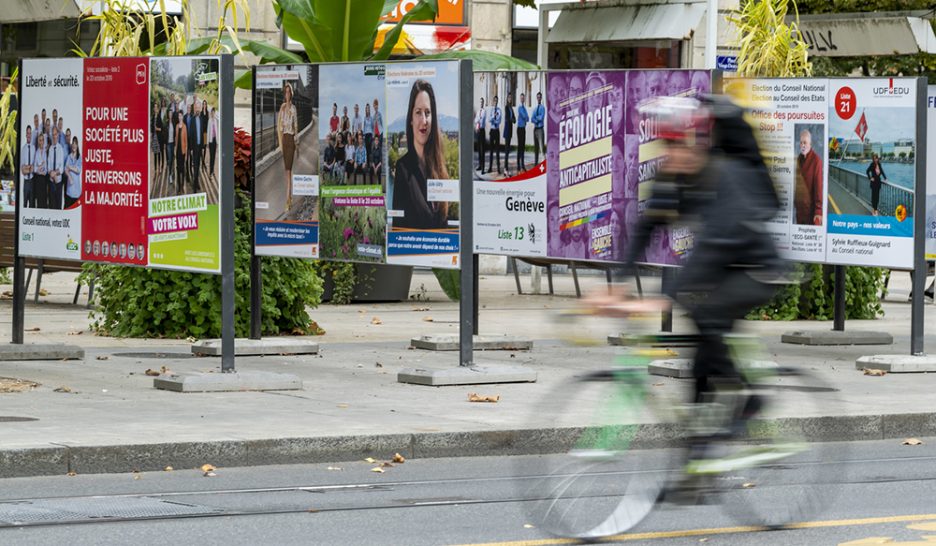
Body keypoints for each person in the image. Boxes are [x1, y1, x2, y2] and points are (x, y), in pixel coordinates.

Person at [594, 96, 784, 463]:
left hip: (758, 268)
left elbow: (713, 246)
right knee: (701, 353)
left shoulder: (724, 176)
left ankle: (750, 401)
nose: (672, 153)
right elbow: (646, 226)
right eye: (666, 144)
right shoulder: (672, 177)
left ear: (697, 141)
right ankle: (698, 449)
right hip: (722, 264)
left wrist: (665, 298)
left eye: (678, 143)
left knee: (705, 314)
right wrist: (618, 282)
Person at [392, 79, 449, 229]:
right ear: (410, 119)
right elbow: (398, 229)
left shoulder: (441, 168)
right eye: (418, 113)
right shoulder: (403, 168)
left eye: (428, 113)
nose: (424, 120)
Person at [794, 128, 823, 225]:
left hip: (810, 212)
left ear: (810, 144)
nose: (802, 145)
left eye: (805, 143)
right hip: (799, 210)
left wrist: (818, 211)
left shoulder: (816, 161)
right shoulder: (798, 159)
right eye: (801, 142)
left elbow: (818, 187)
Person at [278, 83, 298, 209]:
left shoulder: (294, 109)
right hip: (284, 139)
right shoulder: (282, 107)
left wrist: (297, 142)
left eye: (289, 92)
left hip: (291, 139)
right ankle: (290, 196)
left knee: (289, 170)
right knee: (287, 171)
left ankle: (287, 200)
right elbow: (279, 126)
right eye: (285, 92)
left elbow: (296, 126)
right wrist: (280, 142)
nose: (287, 94)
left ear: (291, 94)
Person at [47, 127, 65, 209]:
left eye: (55, 134)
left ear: (57, 135)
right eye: (53, 134)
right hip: (51, 182)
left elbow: (61, 168)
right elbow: (48, 166)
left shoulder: (61, 149)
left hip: (58, 183)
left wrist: (54, 173)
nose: (54, 136)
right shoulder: (50, 149)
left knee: (58, 206)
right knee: (51, 205)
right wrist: (52, 173)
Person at [188, 101, 204, 193]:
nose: (197, 109)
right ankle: (194, 185)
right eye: (196, 108)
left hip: (199, 146)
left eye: (199, 107)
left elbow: (201, 134)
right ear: (194, 109)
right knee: (195, 165)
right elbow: (190, 135)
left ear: (200, 109)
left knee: (198, 165)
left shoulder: (201, 119)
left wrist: (202, 146)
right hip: (194, 147)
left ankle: (197, 182)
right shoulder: (192, 120)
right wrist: (190, 148)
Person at [64, 136, 81, 209]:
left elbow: (78, 170)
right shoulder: (69, 157)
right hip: (69, 190)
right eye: (73, 143)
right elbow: (65, 169)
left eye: (75, 143)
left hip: (76, 192)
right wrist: (70, 177)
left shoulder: (79, 158)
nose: (74, 145)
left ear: (77, 146)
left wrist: (70, 167)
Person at [487, 95, 502, 175]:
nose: (495, 102)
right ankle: (490, 167)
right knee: (491, 151)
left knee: (497, 151)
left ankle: (499, 168)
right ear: (493, 101)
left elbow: (499, 121)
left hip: (497, 131)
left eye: (496, 100)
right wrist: (494, 116)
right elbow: (489, 119)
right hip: (492, 131)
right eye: (494, 100)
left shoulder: (499, 110)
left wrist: (494, 120)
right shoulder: (492, 110)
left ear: (498, 101)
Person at [21, 125, 35, 208]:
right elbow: (23, 171)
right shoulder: (23, 149)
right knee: (25, 204)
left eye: (30, 133)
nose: (29, 135)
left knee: (32, 205)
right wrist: (29, 168)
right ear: (26, 135)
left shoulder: (34, 148)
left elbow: (33, 167)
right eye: (28, 133)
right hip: (26, 182)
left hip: (32, 181)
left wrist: (27, 167)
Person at [174, 111, 188, 194]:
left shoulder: (185, 127)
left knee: (182, 169)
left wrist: (186, 153)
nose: (180, 117)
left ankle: (182, 185)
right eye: (179, 116)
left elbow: (186, 141)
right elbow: (176, 139)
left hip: (183, 151)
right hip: (178, 151)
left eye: (181, 116)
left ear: (182, 117)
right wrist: (175, 150)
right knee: (178, 169)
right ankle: (179, 186)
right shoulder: (176, 126)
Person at [503, 94, 516, 175]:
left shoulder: (511, 108)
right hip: (507, 130)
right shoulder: (506, 107)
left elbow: (514, 120)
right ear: (507, 99)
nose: (510, 99)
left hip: (510, 130)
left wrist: (512, 119)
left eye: (511, 98)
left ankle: (506, 169)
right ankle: (505, 169)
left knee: (508, 150)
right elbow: (508, 118)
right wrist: (512, 119)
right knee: (507, 151)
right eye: (509, 98)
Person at [532, 91, 546, 165]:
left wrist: (536, 118)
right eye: (537, 97)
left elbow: (541, 118)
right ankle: (536, 163)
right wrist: (537, 118)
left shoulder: (542, 108)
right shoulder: (535, 109)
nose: (538, 98)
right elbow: (532, 119)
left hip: (540, 129)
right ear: (536, 98)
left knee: (541, 148)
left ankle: (543, 164)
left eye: (539, 97)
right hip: (535, 130)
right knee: (536, 148)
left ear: (541, 98)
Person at [516, 93, 529, 172]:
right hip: (519, 129)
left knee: (523, 147)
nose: (522, 99)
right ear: (520, 99)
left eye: (523, 98)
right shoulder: (520, 108)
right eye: (521, 98)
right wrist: (525, 117)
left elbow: (527, 118)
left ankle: (522, 165)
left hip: (523, 129)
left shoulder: (524, 108)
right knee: (519, 147)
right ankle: (518, 165)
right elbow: (524, 116)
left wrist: (525, 117)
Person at [475, 97, 487, 173]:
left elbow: (482, 120)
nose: (481, 103)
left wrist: (478, 119)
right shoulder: (478, 111)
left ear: (483, 103)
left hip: (482, 130)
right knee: (479, 149)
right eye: (480, 102)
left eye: (482, 102)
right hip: (478, 131)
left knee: (482, 150)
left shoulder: (484, 111)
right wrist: (478, 119)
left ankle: (483, 168)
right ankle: (479, 165)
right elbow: (475, 120)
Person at [207, 107, 218, 177]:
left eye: (214, 112)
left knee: (214, 157)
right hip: (210, 141)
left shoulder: (216, 121)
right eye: (212, 112)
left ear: (215, 113)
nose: (213, 113)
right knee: (211, 156)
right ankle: (210, 172)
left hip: (215, 141)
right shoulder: (209, 121)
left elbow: (217, 132)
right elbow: (208, 132)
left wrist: (217, 142)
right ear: (211, 113)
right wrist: (207, 142)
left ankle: (213, 170)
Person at [363, 103, 374, 167]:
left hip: (370, 135)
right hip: (366, 135)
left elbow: (372, 127)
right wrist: (364, 135)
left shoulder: (371, 118)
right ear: (365, 110)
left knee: (370, 150)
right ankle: (367, 165)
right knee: (366, 150)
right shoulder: (364, 118)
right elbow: (364, 127)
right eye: (366, 108)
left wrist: (372, 135)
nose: (367, 109)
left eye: (368, 108)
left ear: (369, 109)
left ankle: (370, 164)